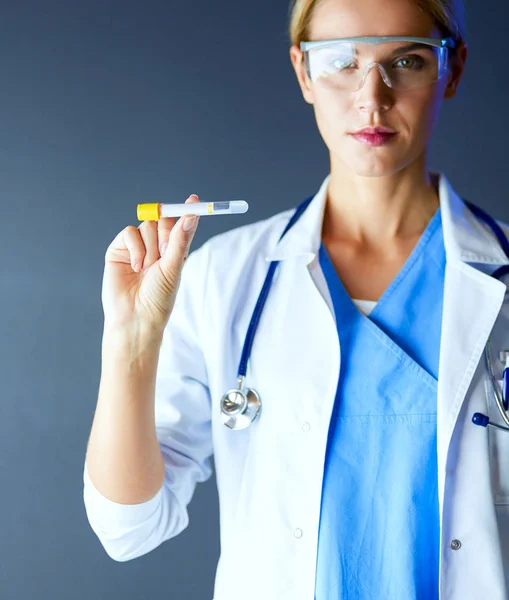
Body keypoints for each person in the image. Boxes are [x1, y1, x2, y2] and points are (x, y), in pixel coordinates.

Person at [83, 0, 509, 598]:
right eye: (340, 62)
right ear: (303, 72)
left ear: (453, 68)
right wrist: (129, 346)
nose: (372, 97)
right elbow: (127, 528)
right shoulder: (223, 279)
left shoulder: (501, 280)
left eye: (406, 60)